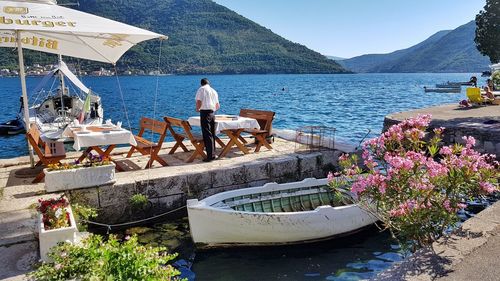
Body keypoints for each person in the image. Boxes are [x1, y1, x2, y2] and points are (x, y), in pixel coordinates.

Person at [195, 78, 220, 162]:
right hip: (212, 113)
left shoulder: (201, 89)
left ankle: (210, 156)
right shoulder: (214, 91)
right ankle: (213, 154)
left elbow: (199, 101)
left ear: (201, 83)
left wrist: (198, 108)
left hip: (205, 113)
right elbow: (217, 106)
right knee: (212, 134)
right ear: (208, 83)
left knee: (207, 134)